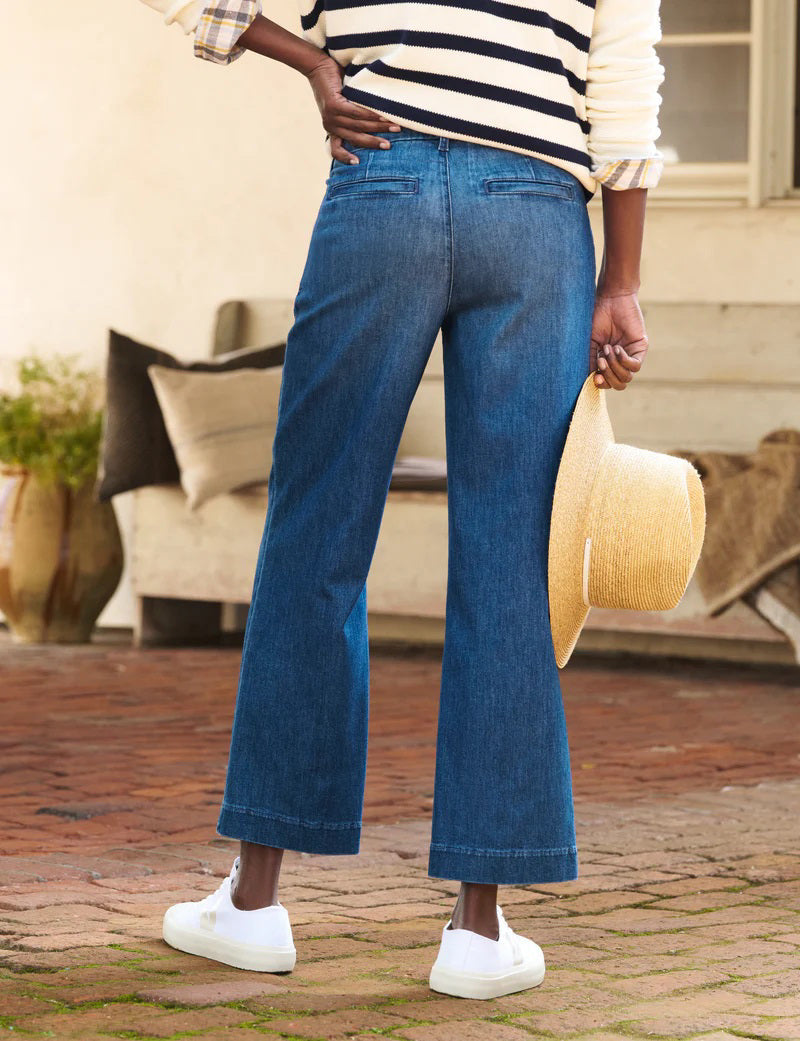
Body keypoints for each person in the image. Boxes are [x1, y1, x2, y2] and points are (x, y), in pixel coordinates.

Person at [140, 0, 664, 999]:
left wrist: (305, 60)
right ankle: (478, 928)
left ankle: (252, 906)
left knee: (314, 540)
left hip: (381, 177)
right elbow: (624, 81)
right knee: (516, 562)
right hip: (539, 210)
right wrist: (623, 279)